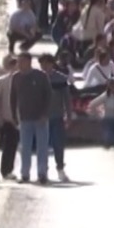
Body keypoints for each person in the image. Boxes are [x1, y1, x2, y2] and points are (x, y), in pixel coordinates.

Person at [10, 52, 52, 185]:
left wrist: (45, 114)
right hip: (24, 118)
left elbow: (48, 96)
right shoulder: (16, 78)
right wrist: (14, 116)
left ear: (29, 62)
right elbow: (13, 98)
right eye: (18, 62)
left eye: (21, 61)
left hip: (40, 118)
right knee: (25, 147)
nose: (19, 65)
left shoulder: (40, 76)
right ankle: (25, 173)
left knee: (42, 147)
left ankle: (42, 173)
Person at [39, 54, 73, 183]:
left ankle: (60, 169)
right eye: (42, 64)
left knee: (59, 145)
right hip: (41, 118)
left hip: (57, 117)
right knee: (43, 146)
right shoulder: (37, 78)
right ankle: (43, 171)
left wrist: (68, 116)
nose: (44, 66)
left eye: (47, 63)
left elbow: (67, 99)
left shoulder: (60, 79)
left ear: (52, 64)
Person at [0, 55, 19, 180]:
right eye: (12, 63)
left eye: (15, 63)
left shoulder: (21, 81)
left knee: (11, 147)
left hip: (16, 120)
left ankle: (7, 171)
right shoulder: (1, 81)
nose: (14, 66)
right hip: (2, 118)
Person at [86, 79, 114, 147]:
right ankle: (111, 138)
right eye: (113, 86)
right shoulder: (105, 96)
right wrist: (98, 114)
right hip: (108, 118)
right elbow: (92, 104)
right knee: (109, 140)